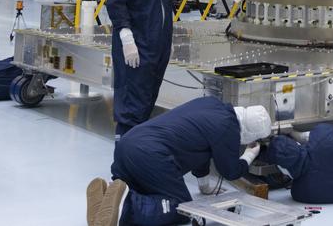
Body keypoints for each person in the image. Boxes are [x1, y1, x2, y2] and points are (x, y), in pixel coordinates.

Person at [85, 97, 270, 226]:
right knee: (182, 208)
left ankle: (105, 198)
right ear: (250, 133)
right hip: (150, 156)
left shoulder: (212, 104)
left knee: (142, 187)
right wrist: (249, 154)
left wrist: (204, 186)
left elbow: (202, 147)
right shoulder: (228, 128)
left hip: (129, 144)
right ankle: (127, 205)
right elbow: (230, 171)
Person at [108, 0, 180, 137]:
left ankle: (139, 145)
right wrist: (126, 38)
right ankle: (125, 145)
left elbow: (161, 5)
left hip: (157, 45)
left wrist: (167, 39)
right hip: (136, 44)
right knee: (132, 94)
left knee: (149, 93)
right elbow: (117, 3)